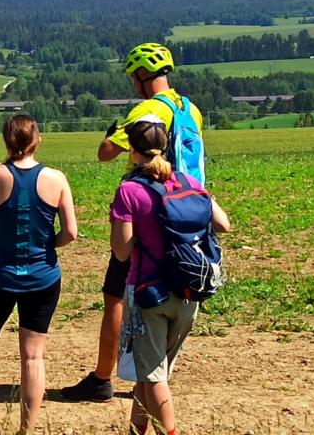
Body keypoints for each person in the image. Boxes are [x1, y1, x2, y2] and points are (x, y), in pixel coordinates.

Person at [63, 42, 205, 403]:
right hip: (183, 215)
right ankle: (158, 375)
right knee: (173, 292)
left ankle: (102, 379)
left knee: (115, 297)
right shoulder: (190, 109)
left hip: (145, 213)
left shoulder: (148, 109)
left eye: (132, 77)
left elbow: (106, 153)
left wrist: (111, 133)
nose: (132, 84)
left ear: (142, 75)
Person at [0, 115, 77, 435]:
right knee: (33, 358)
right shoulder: (56, 178)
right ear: (37, 140)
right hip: (43, 278)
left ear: (6, 140)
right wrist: (46, 244)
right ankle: (26, 429)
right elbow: (71, 232)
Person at [111, 117, 230, 435]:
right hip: (189, 290)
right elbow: (223, 223)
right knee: (148, 373)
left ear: (133, 151)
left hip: (148, 292)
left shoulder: (129, 190)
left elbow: (121, 251)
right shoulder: (188, 181)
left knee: (154, 377)